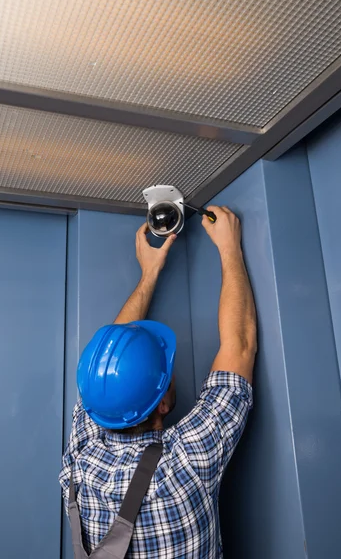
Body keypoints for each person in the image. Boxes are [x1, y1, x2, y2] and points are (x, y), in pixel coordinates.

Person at [59, 206, 257, 558]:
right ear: (163, 405)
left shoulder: (80, 459)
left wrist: (149, 274)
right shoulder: (183, 464)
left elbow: (109, 360)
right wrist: (229, 247)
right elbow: (238, 344)